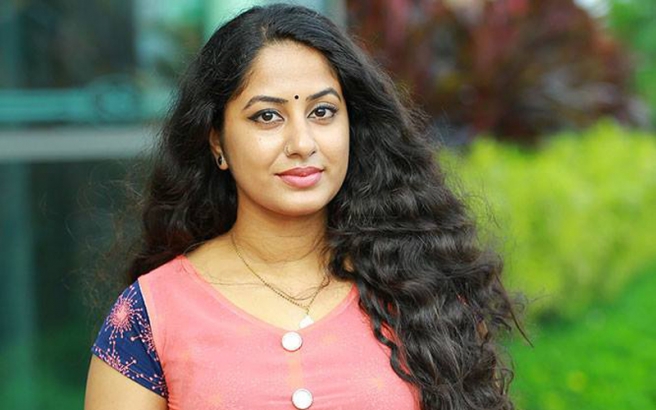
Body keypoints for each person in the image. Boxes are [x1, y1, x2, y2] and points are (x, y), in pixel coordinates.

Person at [84, 4, 522, 410]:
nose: (302, 143)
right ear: (217, 141)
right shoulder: (152, 313)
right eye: (267, 116)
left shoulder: (425, 291)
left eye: (323, 112)